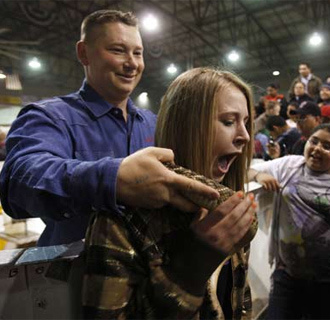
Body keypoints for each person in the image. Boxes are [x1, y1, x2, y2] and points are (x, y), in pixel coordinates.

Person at [0, 10, 218, 246]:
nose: (132, 63)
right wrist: (113, 180)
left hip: (152, 272)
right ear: (84, 53)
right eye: (118, 50)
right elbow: (18, 182)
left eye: (138, 53)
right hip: (75, 273)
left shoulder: (155, 124)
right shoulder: (50, 117)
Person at [83, 67, 257, 319]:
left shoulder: (229, 204)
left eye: (246, 123)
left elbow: (240, 300)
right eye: (229, 121)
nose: (245, 136)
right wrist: (187, 273)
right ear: (187, 125)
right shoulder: (120, 217)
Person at [249, 124, 330, 320]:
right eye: (314, 141)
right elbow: (248, 170)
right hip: (288, 276)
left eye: (327, 146)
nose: (318, 148)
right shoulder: (287, 166)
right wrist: (260, 175)